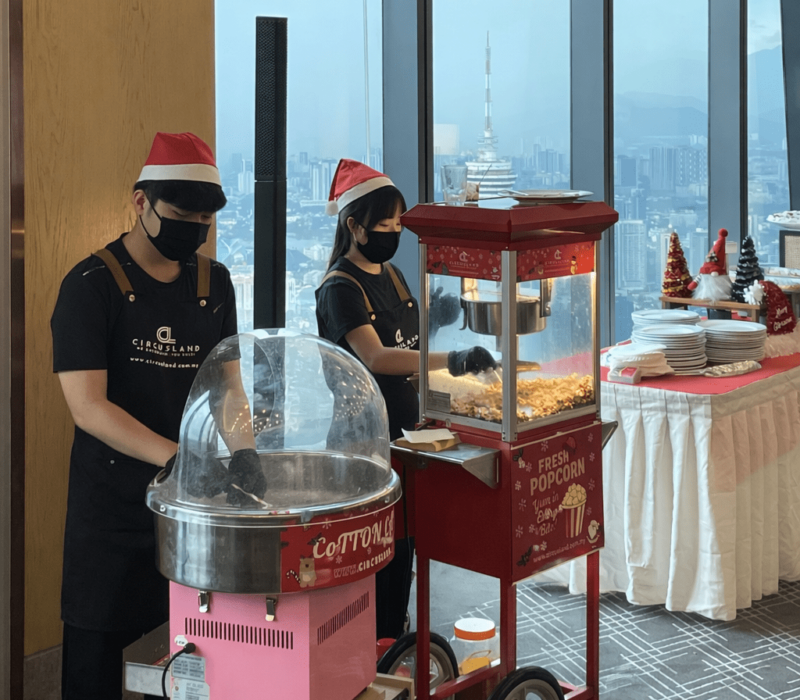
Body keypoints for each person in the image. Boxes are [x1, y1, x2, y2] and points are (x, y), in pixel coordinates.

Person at [51, 132, 261, 700]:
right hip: (111, 515)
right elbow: (88, 406)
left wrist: (243, 452)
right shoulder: (90, 286)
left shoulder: (212, 283)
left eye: (204, 219)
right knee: (96, 668)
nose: (193, 228)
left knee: (181, 664)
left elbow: (227, 388)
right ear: (140, 203)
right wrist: (180, 456)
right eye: (181, 214)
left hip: (187, 516)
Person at [315, 159, 496, 640]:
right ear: (354, 226)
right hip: (364, 443)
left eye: (399, 223)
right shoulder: (339, 288)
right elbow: (375, 357)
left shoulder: (391, 274)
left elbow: (408, 340)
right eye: (385, 224)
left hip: (407, 434)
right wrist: (451, 360)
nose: (395, 232)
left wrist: (444, 313)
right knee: (374, 553)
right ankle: (369, 650)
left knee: (404, 549)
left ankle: (394, 642)